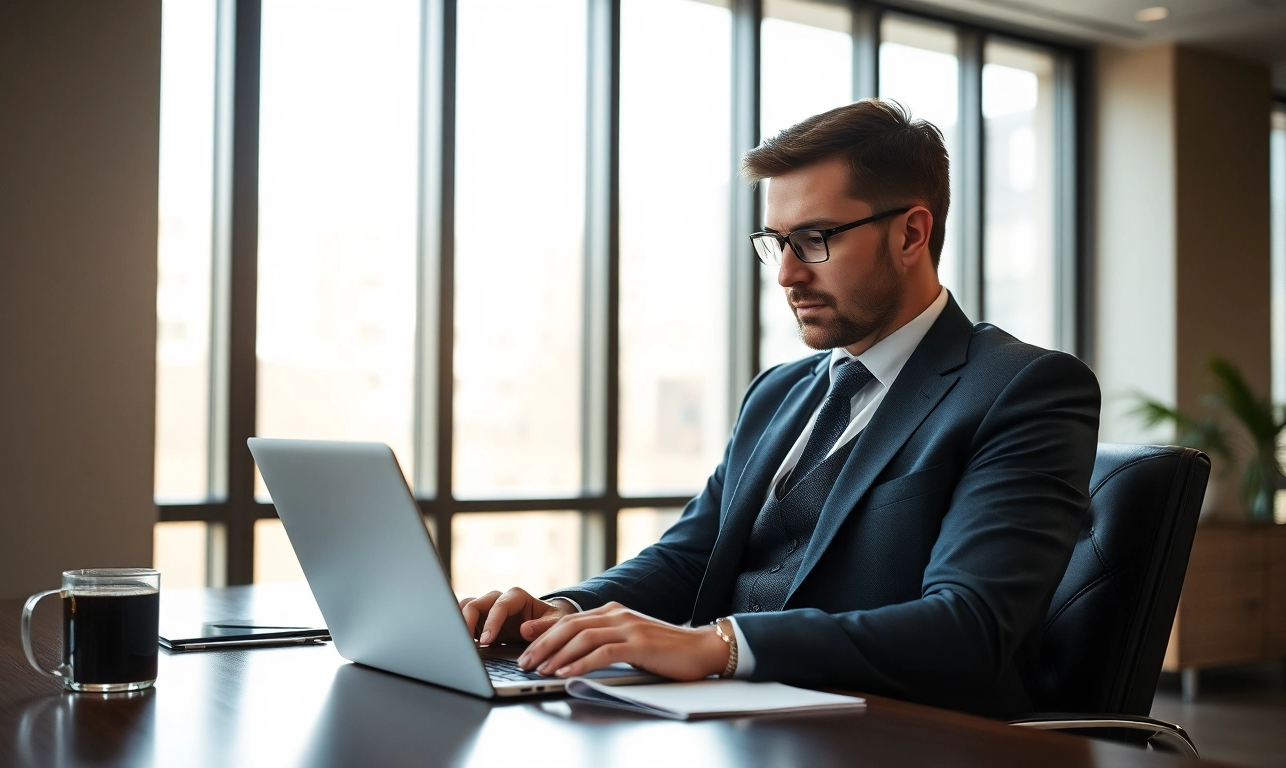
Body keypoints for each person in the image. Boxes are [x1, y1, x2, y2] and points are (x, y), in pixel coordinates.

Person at [458, 99, 1100, 716]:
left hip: (893, 733)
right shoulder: (776, 394)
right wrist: (568, 612)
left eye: (815, 239)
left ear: (912, 232)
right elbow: (690, 555)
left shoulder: (1025, 388)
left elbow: (970, 627)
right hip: (738, 720)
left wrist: (721, 647)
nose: (787, 274)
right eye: (776, 242)